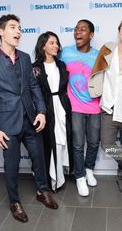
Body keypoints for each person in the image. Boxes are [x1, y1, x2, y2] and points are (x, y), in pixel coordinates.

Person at [0, 14, 58, 223]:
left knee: (39, 158)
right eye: (13, 27)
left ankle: (42, 190)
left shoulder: (24, 58)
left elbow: (33, 87)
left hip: (30, 120)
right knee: (11, 165)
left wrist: (41, 111)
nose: (18, 31)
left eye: (20, 28)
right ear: (0, 31)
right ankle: (14, 202)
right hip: (6, 125)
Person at [89, 19, 122, 194]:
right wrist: (94, 89)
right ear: (119, 31)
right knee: (107, 144)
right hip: (109, 107)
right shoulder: (108, 49)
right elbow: (97, 70)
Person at [61, 19, 100, 196]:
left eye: (83, 29)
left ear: (91, 35)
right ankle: (79, 176)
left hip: (95, 106)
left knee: (93, 142)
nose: (78, 32)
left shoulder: (99, 55)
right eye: (76, 29)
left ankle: (89, 168)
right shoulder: (65, 52)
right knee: (77, 145)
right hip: (75, 106)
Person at [32, 31, 73, 192]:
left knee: (62, 141)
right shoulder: (35, 68)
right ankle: (50, 180)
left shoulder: (61, 65)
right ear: (43, 46)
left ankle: (60, 177)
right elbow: (33, 92)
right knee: (49, 144)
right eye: (51, 43)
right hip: (46, 109)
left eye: (57, 43)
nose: (56, 46)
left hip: (62, 107)